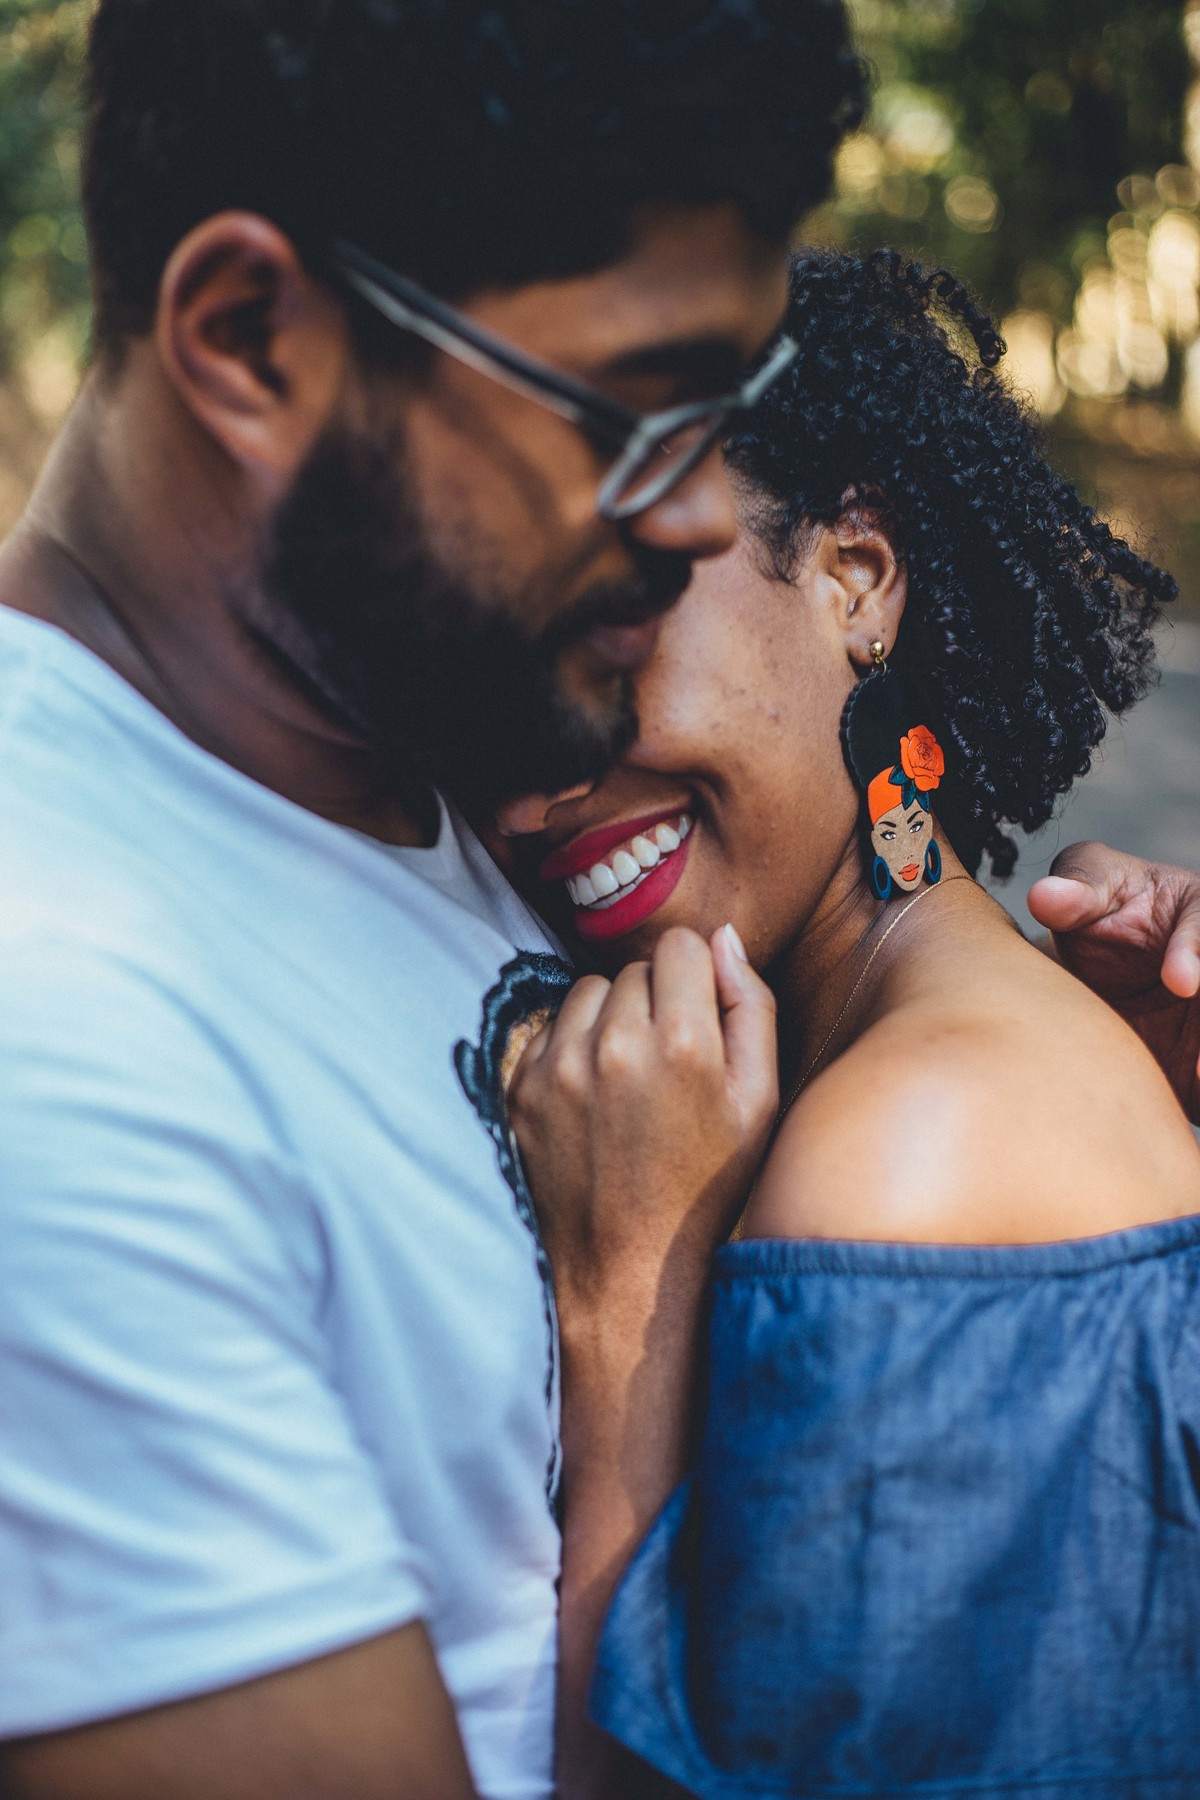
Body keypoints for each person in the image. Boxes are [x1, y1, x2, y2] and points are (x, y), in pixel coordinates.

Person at [0, 5, 862, 1797]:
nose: (703, 511)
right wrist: (630, 1324)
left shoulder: (440, 723)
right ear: (251, 341)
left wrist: (1062, 1046)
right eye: (632, 416)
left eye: (732, 412)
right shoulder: (60, 1046)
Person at [503, 251, 1200, 1796]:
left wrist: (626, 1307)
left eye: (602, 643)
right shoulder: (935, 1052)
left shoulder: (908, 1157)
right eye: (483, 695)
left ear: (855, 580)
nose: (528, 784)